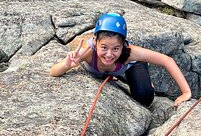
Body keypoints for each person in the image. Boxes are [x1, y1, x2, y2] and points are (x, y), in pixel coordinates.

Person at [50, 13, 191, 107]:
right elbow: (54, 72)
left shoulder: (130, 53)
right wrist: (67, 65)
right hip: (112, 70)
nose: (109, 54)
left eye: (116, 49)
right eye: (104, 47)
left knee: (144, 98)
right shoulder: (87, 53)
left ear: (123, 45)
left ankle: (144, 80)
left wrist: (186, 92)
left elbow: (167, 60)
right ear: (95, 41)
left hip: (130, 66)